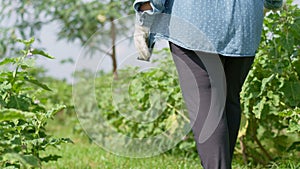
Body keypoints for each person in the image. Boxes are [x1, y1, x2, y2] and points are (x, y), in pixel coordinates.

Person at [133, 0, 283, 168]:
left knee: (208, 107)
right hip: (245, 24)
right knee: (228, 102)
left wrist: (144, 18)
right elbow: (273, 2)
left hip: (196, 22)